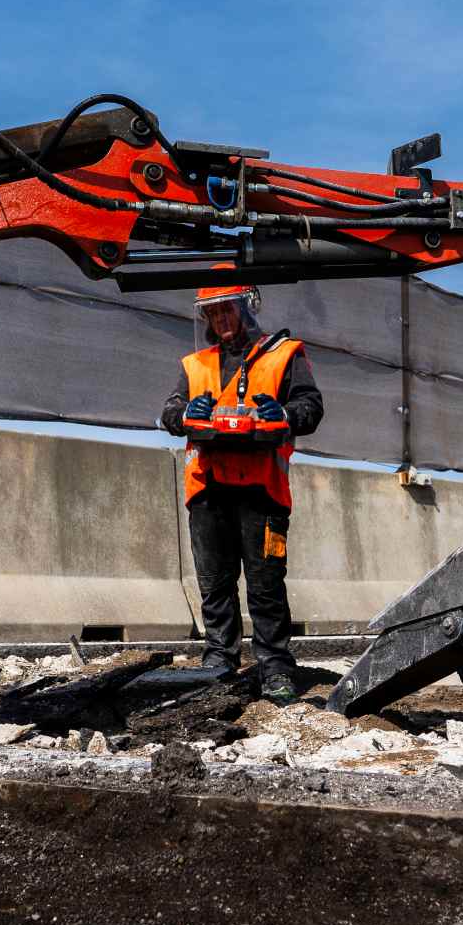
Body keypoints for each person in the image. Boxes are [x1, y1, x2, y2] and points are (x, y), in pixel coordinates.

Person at [160, 272, 324, 701]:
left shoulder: (284, 354)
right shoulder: (194, 365)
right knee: (215, 582)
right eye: (212, 313)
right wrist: (186, 414)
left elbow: (310, 406)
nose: (220, 319)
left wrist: (284, 415)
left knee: (265, 584)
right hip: (209, 489)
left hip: (261, 490)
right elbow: (170, 412)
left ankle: (275, 667)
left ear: (247, 307)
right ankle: (219, 659)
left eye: (226, 310)